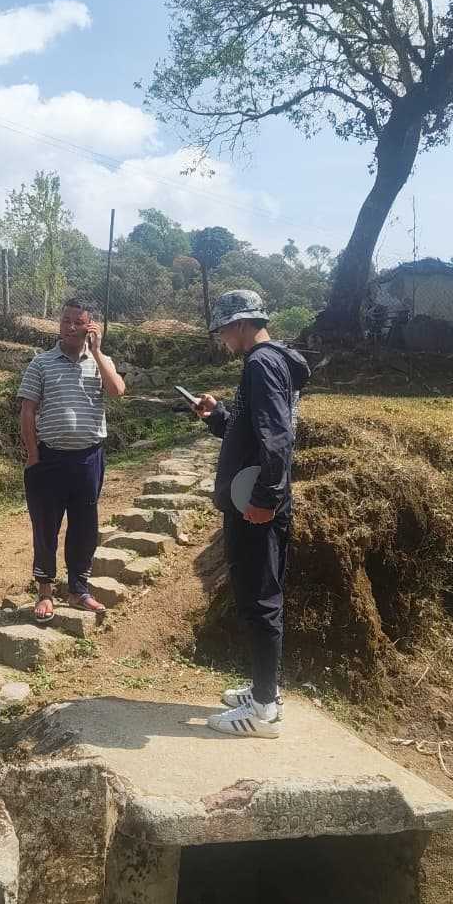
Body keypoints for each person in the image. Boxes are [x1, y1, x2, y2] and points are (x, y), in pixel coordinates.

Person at [192, 289, 310, 738]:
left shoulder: (261, 364)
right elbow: (250, 431)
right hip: (254, 501)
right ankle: (265, 689)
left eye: (223, 330)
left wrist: (265, 499)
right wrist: (217, 415)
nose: (223, 339)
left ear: (240, 325)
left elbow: (278, 438)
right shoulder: (270, 363)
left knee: (261, 600)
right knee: (258, 596)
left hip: (257, 506)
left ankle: (263, 712)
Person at [18, 297, 126, 623]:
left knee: (84, 527)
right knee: (46, 527)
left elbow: (118, 390)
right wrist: (33, 454)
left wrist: (97, 352)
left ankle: (79, 589)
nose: (70, 327)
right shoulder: (41, 363)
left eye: (78, 322)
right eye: (65, 320)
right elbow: (27, 410)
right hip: (48, 460)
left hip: (88, 459)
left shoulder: (100, 361)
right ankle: (46, 592)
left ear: (90, 326)